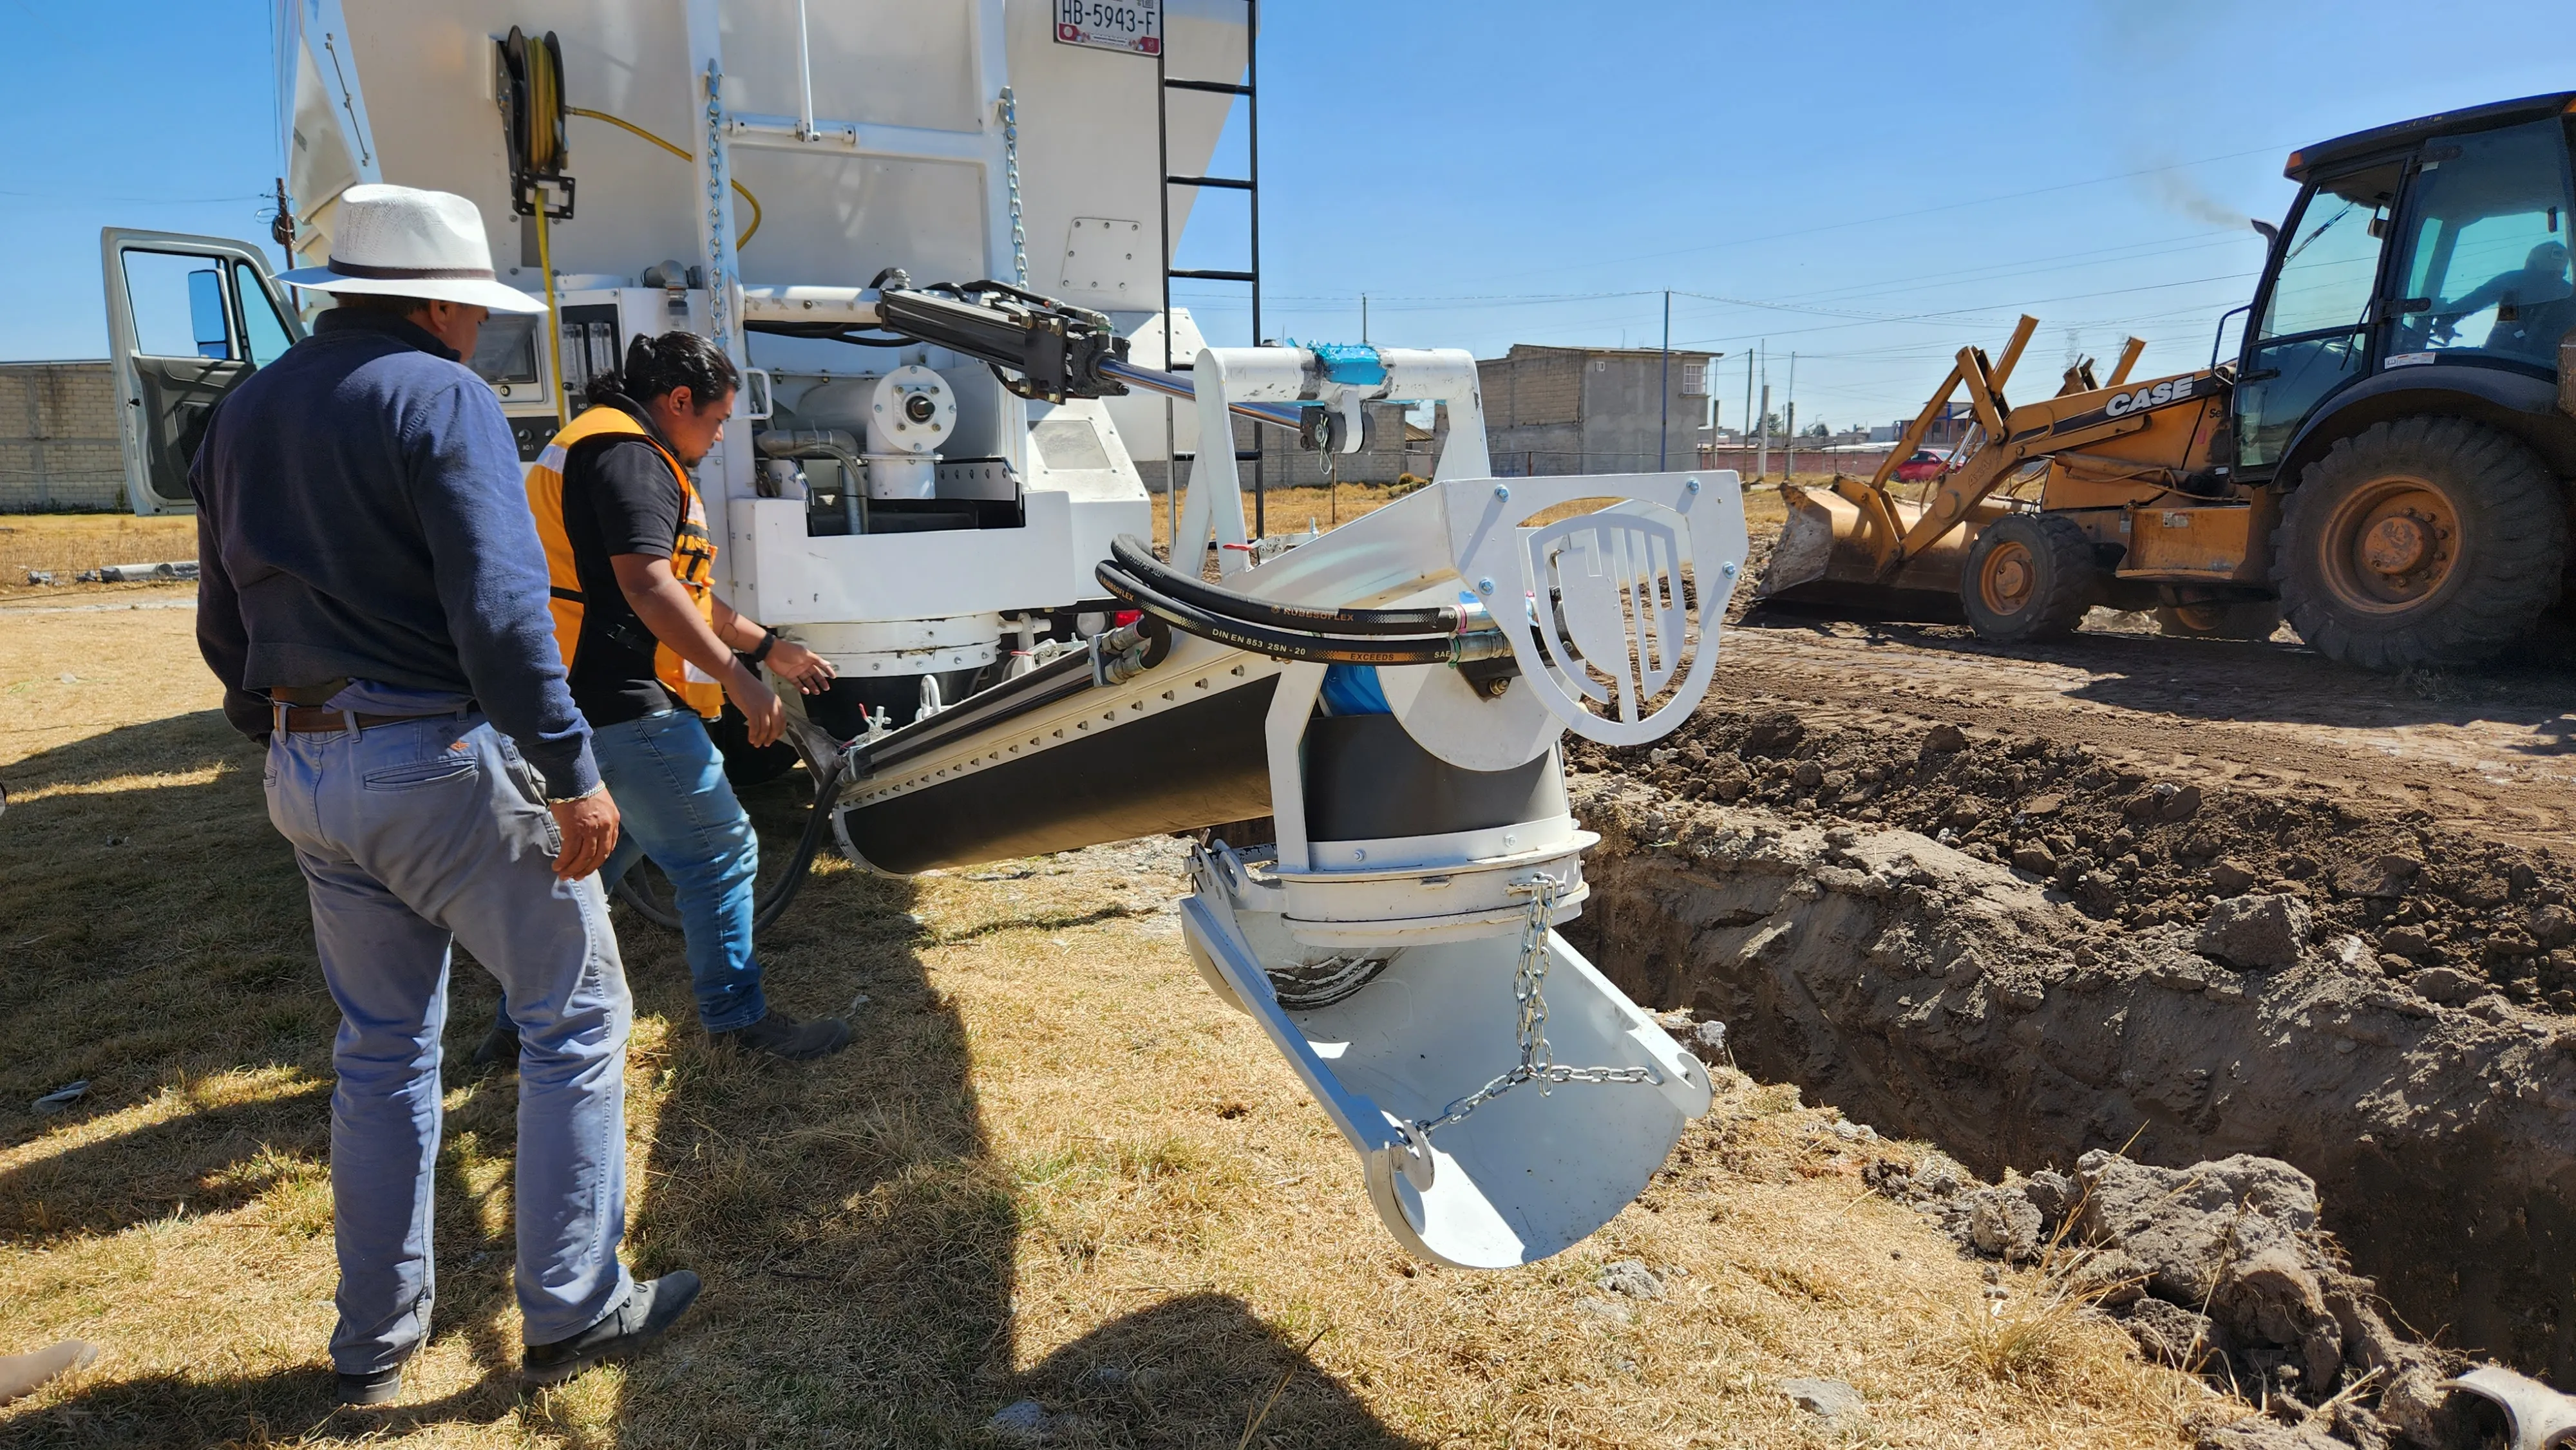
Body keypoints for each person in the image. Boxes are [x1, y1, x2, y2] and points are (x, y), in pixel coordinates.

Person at [193, 184, 698, 1404]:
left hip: (306, 766)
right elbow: (500, 612)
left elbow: (221, 617)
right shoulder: (441, 396)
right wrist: (575, 773)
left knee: (379, 1051)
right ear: (435, 302)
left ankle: (374, 1343)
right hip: (438, 758)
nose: (480, 330)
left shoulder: (242, 410)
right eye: (473, 308)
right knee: (574, 1019)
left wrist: (280, 728)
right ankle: (577, 1307)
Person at [474, 331, 849, 1066]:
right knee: (719, 851)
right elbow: (647, 585)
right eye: (713, 421)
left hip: (580, 697)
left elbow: (681, 592)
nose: (715, 438)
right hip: (621, 699)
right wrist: (741, 681)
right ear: (677, 401)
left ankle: (516, 1028)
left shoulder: (608, 446)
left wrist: (768, 647)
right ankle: (739, 1025)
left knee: (593, 863)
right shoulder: (630, 456)